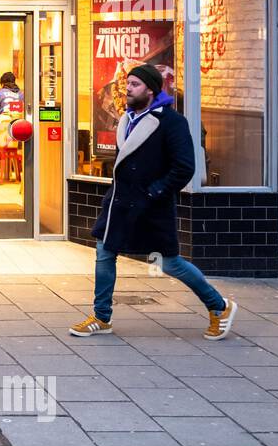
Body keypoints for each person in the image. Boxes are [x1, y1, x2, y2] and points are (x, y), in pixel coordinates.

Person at [70, 64, 237, 341]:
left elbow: (184, 168)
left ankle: (219, 307)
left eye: (135, 84)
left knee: (170, 264)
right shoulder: (128, 119)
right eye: (128, 84)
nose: (128, 89)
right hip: (120, 203)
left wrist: (153, 192)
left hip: (152, 206)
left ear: (150, 88)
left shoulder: (172, 123)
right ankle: (102, 317)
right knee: (105, 252)